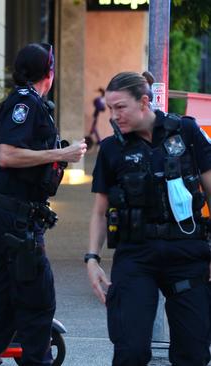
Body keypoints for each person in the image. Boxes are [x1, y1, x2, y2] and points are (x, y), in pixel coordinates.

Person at [0, 43, 87, 366]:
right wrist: (61, 154)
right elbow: (7, 155)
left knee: (2, 302)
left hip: (15, 215)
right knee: (37, 302)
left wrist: (59, 154)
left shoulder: (34, 104)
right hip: (13, 219)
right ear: (48, 73)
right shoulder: (24, 103)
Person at [86, 71, 211, 365]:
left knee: (193, 353)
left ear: (144, 102)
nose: (115, 116)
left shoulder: (187, 133)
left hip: (186, 252)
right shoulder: (111, 149)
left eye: (121, 107)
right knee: (130, 351)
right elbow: (100, 212)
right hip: (136, 256)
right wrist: (92, 258)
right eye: (110, 108)